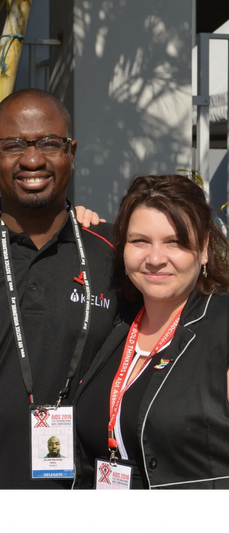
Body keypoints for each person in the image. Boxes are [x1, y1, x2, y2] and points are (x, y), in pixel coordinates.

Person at [0, 88, 119, 492]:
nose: (32, 159)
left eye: (49, 143)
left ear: (71, 150)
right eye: (14, 144)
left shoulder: (113, 256)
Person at [75, 174, 229, 492]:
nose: (155, 259)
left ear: (202, 250)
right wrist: (70, 229)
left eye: (175, 242)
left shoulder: (222, 328)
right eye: (140, 241)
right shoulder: (117, 326)